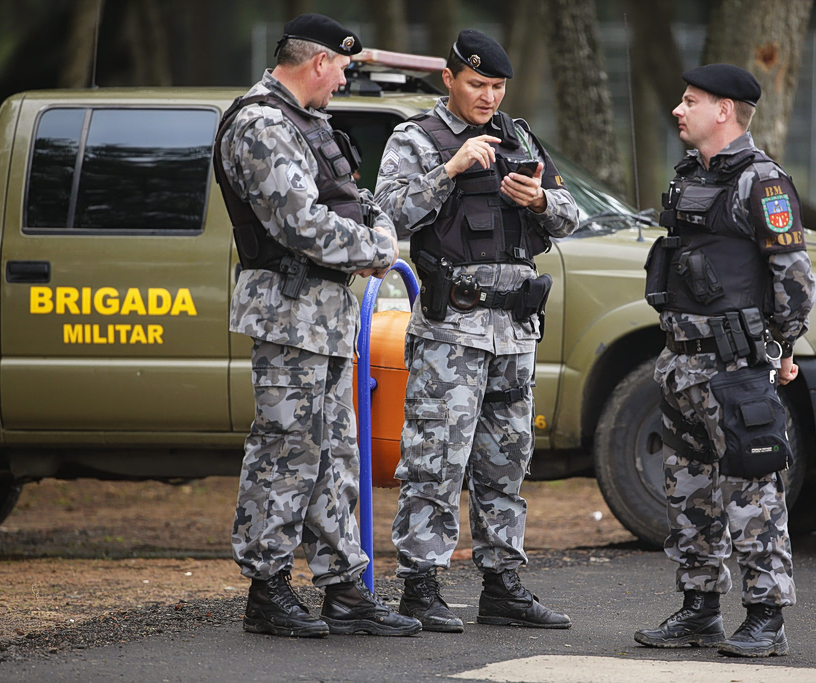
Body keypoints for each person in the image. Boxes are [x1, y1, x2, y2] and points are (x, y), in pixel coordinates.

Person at [213, 13, 421, 638]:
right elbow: (302, 226)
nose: (343, 81)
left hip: (324, 315)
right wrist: (377, 249)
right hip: (287, 312)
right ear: (318, 62)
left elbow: (363, 203)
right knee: (285, 451)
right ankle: (267, 587)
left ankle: (342, 588)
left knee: (333, 453)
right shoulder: (260, 124)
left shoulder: (307, 122)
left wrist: (375, 233)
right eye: (342, 69)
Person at [374, 29, 578, 633]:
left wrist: (539, 200)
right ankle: (419, 584)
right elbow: (386, 213)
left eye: (496, 86)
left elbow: (568, 215)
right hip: (451, 331)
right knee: (435, 460)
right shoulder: (417, 138)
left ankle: (502, 584)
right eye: (477, 84)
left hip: (514, 332)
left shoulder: (518, 135)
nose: (488, 97)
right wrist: (449, 169)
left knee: (506, 463)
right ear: (450, 79)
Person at [635, 64, 816, 657]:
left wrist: (782, 348)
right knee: (688, 491)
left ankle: (766, 616)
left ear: (725, 111)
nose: (677, 110)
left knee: (752, 486)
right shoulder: (691, 175)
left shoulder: (761, 183)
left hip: (734, 367)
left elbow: (793, 278)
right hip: (682, 365)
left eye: (690, 101)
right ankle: (699, 609)